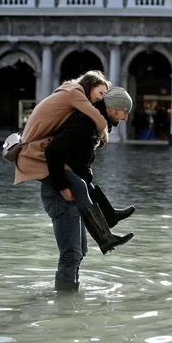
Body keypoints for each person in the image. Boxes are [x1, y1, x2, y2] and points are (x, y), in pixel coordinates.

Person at [14, 80, 135, 290]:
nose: (126, 118)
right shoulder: (86, 122)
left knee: (79, 252)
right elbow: (53, 152)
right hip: (61, 192)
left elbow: (78, 160)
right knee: (71, 254)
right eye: (124, 113)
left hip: (69, 188)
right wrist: (61, 187)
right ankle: (64, 307)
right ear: (113, 109)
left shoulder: (92, 122)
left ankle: (71, 301)